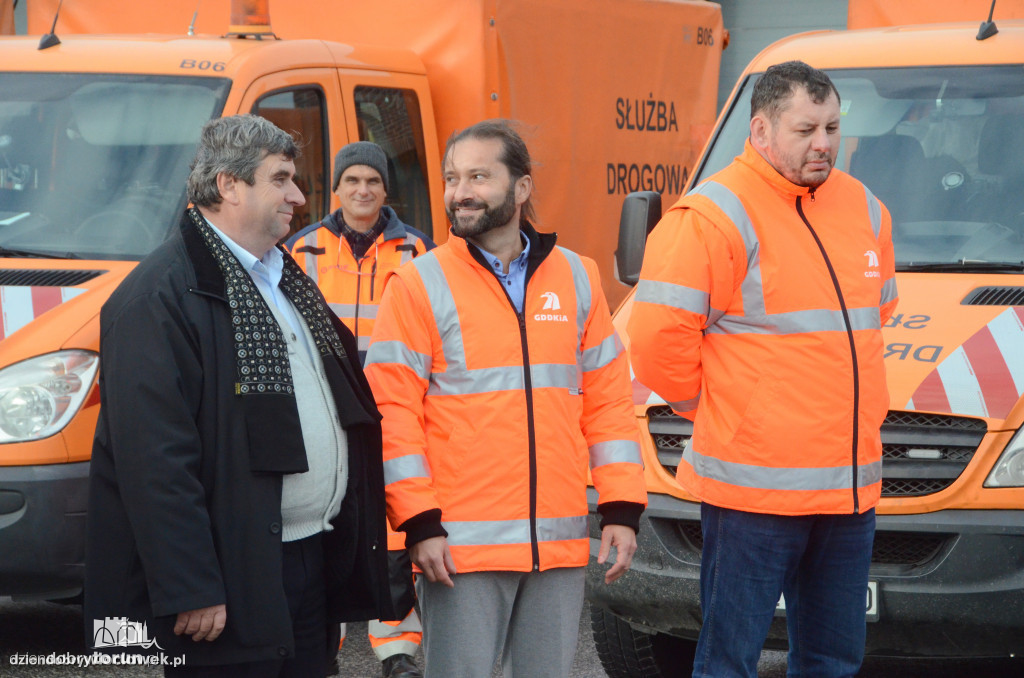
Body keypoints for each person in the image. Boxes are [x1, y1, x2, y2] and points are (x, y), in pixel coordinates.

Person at [84, 114, 394, 677]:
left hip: (308, 556)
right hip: (228, 574)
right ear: (228, 185)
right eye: (280, 179)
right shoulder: (157, 296)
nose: (299, 196)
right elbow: (154, 460)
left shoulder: (282, 277)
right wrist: (191, 584)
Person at [627, 61, 898, 677]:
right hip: (755, 494)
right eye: (805, 129)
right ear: (761, 131)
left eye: (832, 126)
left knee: (833, 660)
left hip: (848, 492)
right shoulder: (712, 216)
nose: (824, 143)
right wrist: (725, 410)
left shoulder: (863, 208)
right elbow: (655, 346)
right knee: (730, 660)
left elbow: (874, 321)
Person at [363, 119, 648, 678]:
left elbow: (609, 402)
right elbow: (391, 415)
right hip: (458, 549)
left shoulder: (579, 277)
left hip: (559, 542)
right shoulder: (418, 284)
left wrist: (621, 506)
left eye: (478, 176)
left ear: (520, 189)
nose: (459, 191)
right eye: (451, 178)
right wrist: (417, 522)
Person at [287, 141, 432, 678]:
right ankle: (324, 643)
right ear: (337, 189)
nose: (362, 190)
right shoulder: (302, 249)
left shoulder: (419, 253)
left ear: (386, 189)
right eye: (352, 181)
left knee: (392, 526)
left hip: (396, 407)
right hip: (326, 410)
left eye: (372, 180)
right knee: (327, 522)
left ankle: (396, 649)